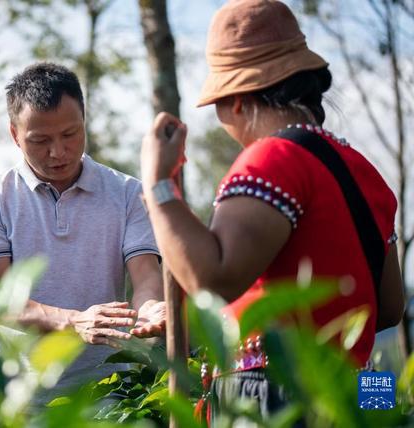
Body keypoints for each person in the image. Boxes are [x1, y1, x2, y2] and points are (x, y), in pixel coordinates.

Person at [140, 0, 405, 422]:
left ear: (239, 101)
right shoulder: (362, 170)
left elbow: (214, 279)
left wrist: (157, 185)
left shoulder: (272, 159)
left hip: (275, 395)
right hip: (358, 392)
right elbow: (389, 308)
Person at [0, 62, 165, 403]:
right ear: (14, 134)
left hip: (108, 397)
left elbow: (146, 275)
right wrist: (75, 321)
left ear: (84, 120)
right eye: (40, 140)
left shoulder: (128, 193)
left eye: (70, 134)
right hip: (15, 400)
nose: (58, 152)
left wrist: (150, 309)